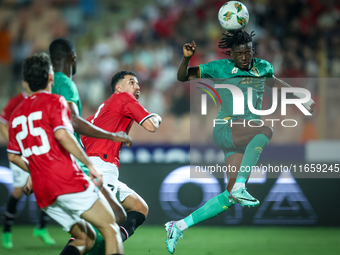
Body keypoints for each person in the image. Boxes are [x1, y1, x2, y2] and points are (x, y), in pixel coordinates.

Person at [165, 30, 315, 253]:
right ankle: (241, 185)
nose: (244, 57)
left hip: (242, 138)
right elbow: (183, 76)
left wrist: (301, 97)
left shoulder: (263, 67)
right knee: (265, 130)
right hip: (226, 128)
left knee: (230, 197)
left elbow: (276, 84)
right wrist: (186, 57)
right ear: (231, 54)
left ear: (253, 51)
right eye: (239, 53)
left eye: (248, 52)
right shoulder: (219, 67)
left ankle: (177, 226)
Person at [7, 53, 124, 255]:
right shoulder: (56, 101)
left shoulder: (16, 114)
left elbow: (13, 156)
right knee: (111, 228)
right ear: (51, 77)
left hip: (43, 191)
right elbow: (62, 135)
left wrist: (35, 171)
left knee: (84, 237)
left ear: (25, 82)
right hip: (66, 180)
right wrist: (90, 164)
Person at [47, 38, 132, 255]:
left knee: (87, 235)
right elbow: (73, 121)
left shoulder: (45, 88)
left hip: (48, 170)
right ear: (73, 58)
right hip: (72, 167)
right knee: (115, 219)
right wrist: (112, 135)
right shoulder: (65, 84)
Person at [81, 70, 162, 244]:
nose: (137, 86)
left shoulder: (99, 115)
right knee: (97, 226)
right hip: (103, 166)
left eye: (138, 83)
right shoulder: (124, 98)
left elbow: (80, 140)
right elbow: (151, 126)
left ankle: (112, 244)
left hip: (94, 167)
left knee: (139, 208)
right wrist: (157, 117)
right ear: (118, 88)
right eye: (131, 82)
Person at [1, 82, 55, 249]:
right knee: (18, 191)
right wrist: (12, 143)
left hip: (37, 152)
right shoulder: (16, 101)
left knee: (46, 189)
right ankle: (7, 231)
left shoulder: (43, 100)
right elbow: (3, 122)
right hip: (20, 154)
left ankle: (41, 227)